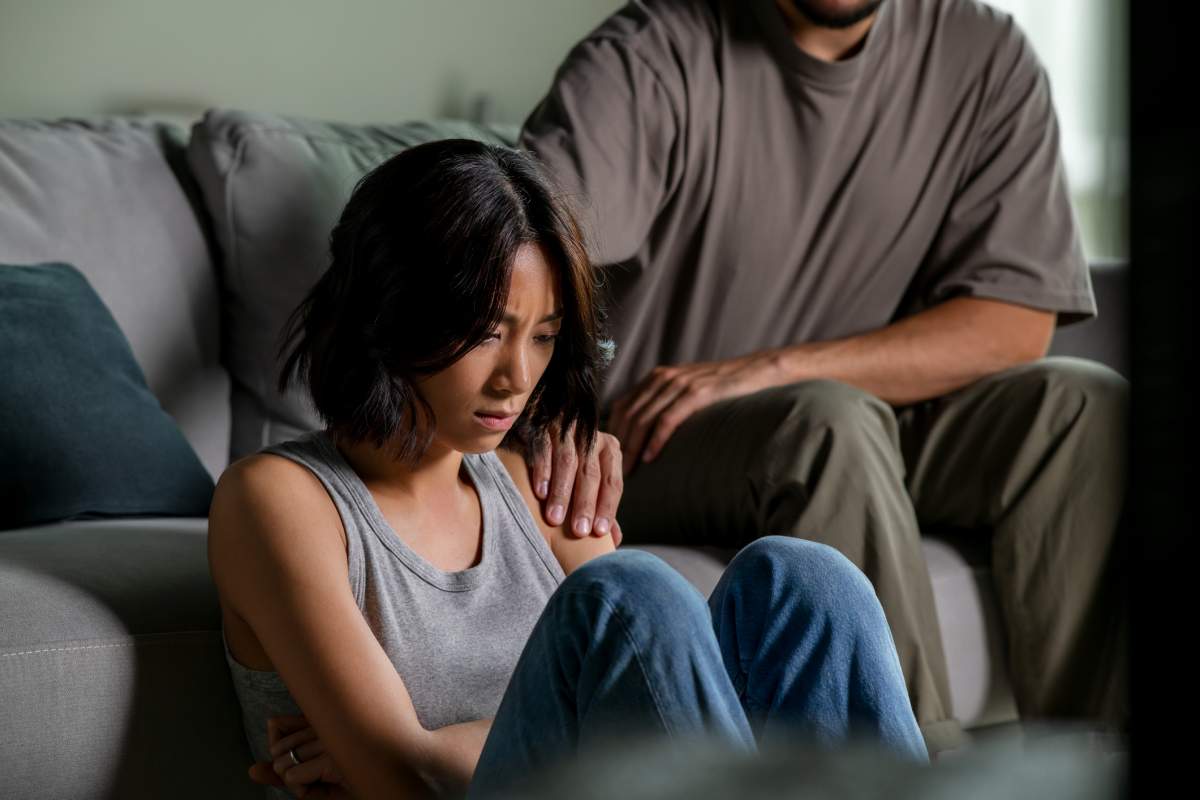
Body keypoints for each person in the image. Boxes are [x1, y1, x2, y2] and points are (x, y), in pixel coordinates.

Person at [207, 139, 927, 800]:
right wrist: (429, 752)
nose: (516, 378)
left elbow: (650, 705)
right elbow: (404, 780)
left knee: (804, 580)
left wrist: (441, 742)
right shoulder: (279, 500)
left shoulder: (539, 483)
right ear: (390, 310)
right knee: (628, 592)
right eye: (485, 333)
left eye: (544, 336)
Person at [517, 0, 1129, 755]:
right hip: (656, 437)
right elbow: (522, 254)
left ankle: (1089, 763)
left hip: (856, 419)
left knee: (1085, 407)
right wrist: (553, 416)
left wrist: (770, 369)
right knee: (829, 423)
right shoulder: (651, 55)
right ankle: (914, 772)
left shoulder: (984, 54)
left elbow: (1015, 323)